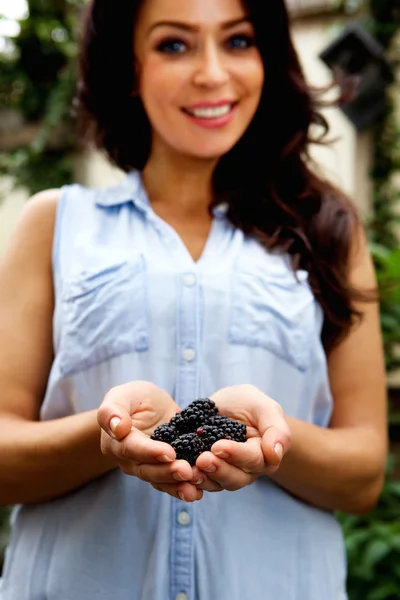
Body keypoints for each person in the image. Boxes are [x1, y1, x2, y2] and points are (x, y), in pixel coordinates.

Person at [0, 0, 388, 598]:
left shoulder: (329, 232)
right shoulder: (54, 224)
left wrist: (269, 437)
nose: (211, 72)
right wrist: (108, 435)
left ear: (267, 56)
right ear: (128, 67)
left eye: (237, 41)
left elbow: (363, 474)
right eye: (174, 45)